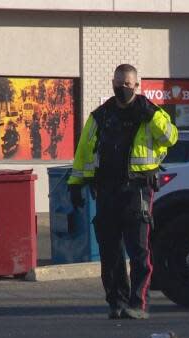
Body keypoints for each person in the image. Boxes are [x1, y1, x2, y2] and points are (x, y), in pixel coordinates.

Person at [67, 64, 178, 319]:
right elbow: (84, 151)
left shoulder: (149, 113)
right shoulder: (101, 116)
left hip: (137, 189)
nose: (123, 88)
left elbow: (171, 137)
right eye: (119, 83)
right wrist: (75, 184)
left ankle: (138, 304)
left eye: (128, 84)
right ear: (112, 82)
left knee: (139, 250)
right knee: (110, 251)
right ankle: (116, 302)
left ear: (136, 85)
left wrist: (152, 113)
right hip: (106, 189)